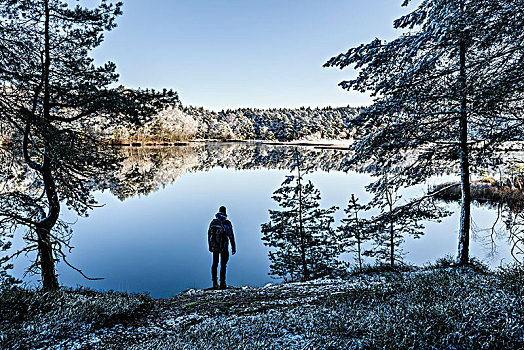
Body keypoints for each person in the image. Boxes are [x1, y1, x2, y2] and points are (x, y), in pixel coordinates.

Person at [208, 206, 236, 289]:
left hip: (215, 247)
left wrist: (210, 246)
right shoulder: (227, 223)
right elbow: (231, 235)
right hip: (224, 247)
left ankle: (214, 283)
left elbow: (209, 234)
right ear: (225, 212)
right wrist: (233, 247)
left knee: (214, 264)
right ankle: (222, 283)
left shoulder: (214, 222)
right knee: (223, 265)